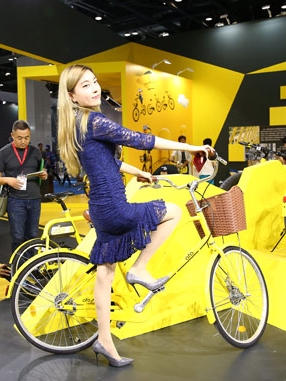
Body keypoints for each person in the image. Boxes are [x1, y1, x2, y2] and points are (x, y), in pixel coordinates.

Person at [57, 64, 213, 367]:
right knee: (174, 212)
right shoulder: (96, 121)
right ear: (72, 96)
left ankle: (105, 341)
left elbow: (107, 162)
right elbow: (142, 140)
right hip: (115, 206)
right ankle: (140, 269)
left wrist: (139, 171)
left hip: (100, 208)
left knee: (105, 273)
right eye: (85, 85)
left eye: (95, 82)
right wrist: (193, 146)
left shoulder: (77, 124)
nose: (94, 88)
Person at [0, 121, 48, 254]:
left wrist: (44, 174)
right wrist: (7, 180)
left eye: (27, 138)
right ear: (12, 135)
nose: (23, 141)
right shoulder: (4, 153)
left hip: (34, 199)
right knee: (17, 236)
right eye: (19, 138)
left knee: (33, 235)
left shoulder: (35, 152)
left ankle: (31, 267)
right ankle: (18, 267)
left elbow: (41, 169)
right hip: (15, 200)